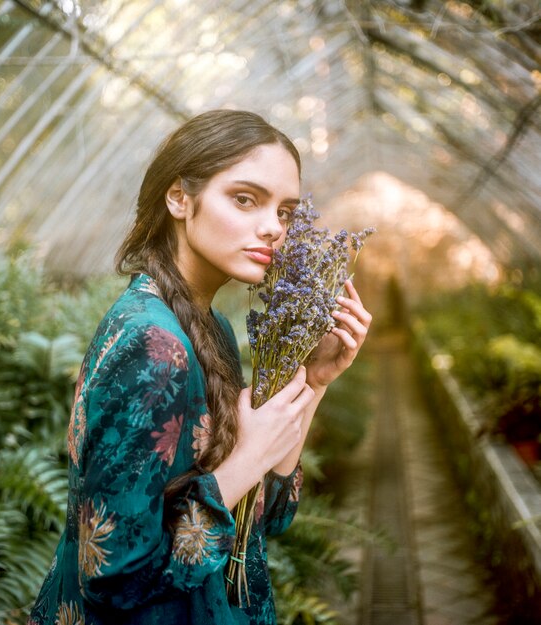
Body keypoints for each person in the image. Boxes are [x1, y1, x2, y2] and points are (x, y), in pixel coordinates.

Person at [27, 109, 371, 625]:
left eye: (286, 211)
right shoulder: (153, 343)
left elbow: (267, 515)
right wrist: (242, 462)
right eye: (245, 199)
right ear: (179, 198)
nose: (273, 228)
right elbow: (114, 577)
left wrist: (313, 380)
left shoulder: (211, 331)